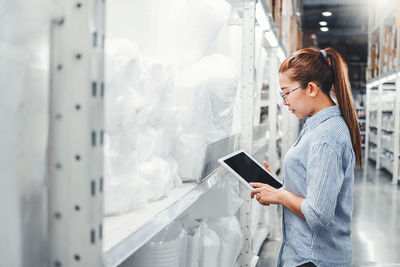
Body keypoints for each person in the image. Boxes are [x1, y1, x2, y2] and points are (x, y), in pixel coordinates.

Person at [250, 47, 362, 267]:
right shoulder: (316, 125)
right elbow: (313, 187)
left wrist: (281, 196)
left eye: (286, 92)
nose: (284, 101)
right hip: (306, 255)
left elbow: (318, 215)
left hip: (314, 259)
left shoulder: (326, 136)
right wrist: (280, 186)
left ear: (311, 88)